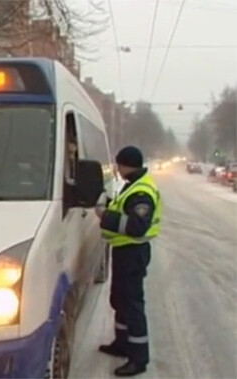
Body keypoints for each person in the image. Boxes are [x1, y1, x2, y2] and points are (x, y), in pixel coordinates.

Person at [94, 146, 162, 377]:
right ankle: (122, 344)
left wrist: (105, 214)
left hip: (133, 252)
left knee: (132, 304)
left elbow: (135, 226)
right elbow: (126, 209)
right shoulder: (133, 184)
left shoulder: (141, 192)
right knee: (120, 299)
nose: (117, 168)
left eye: (119, 164)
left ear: (125, 165)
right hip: (124, 252)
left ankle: (138, 358)